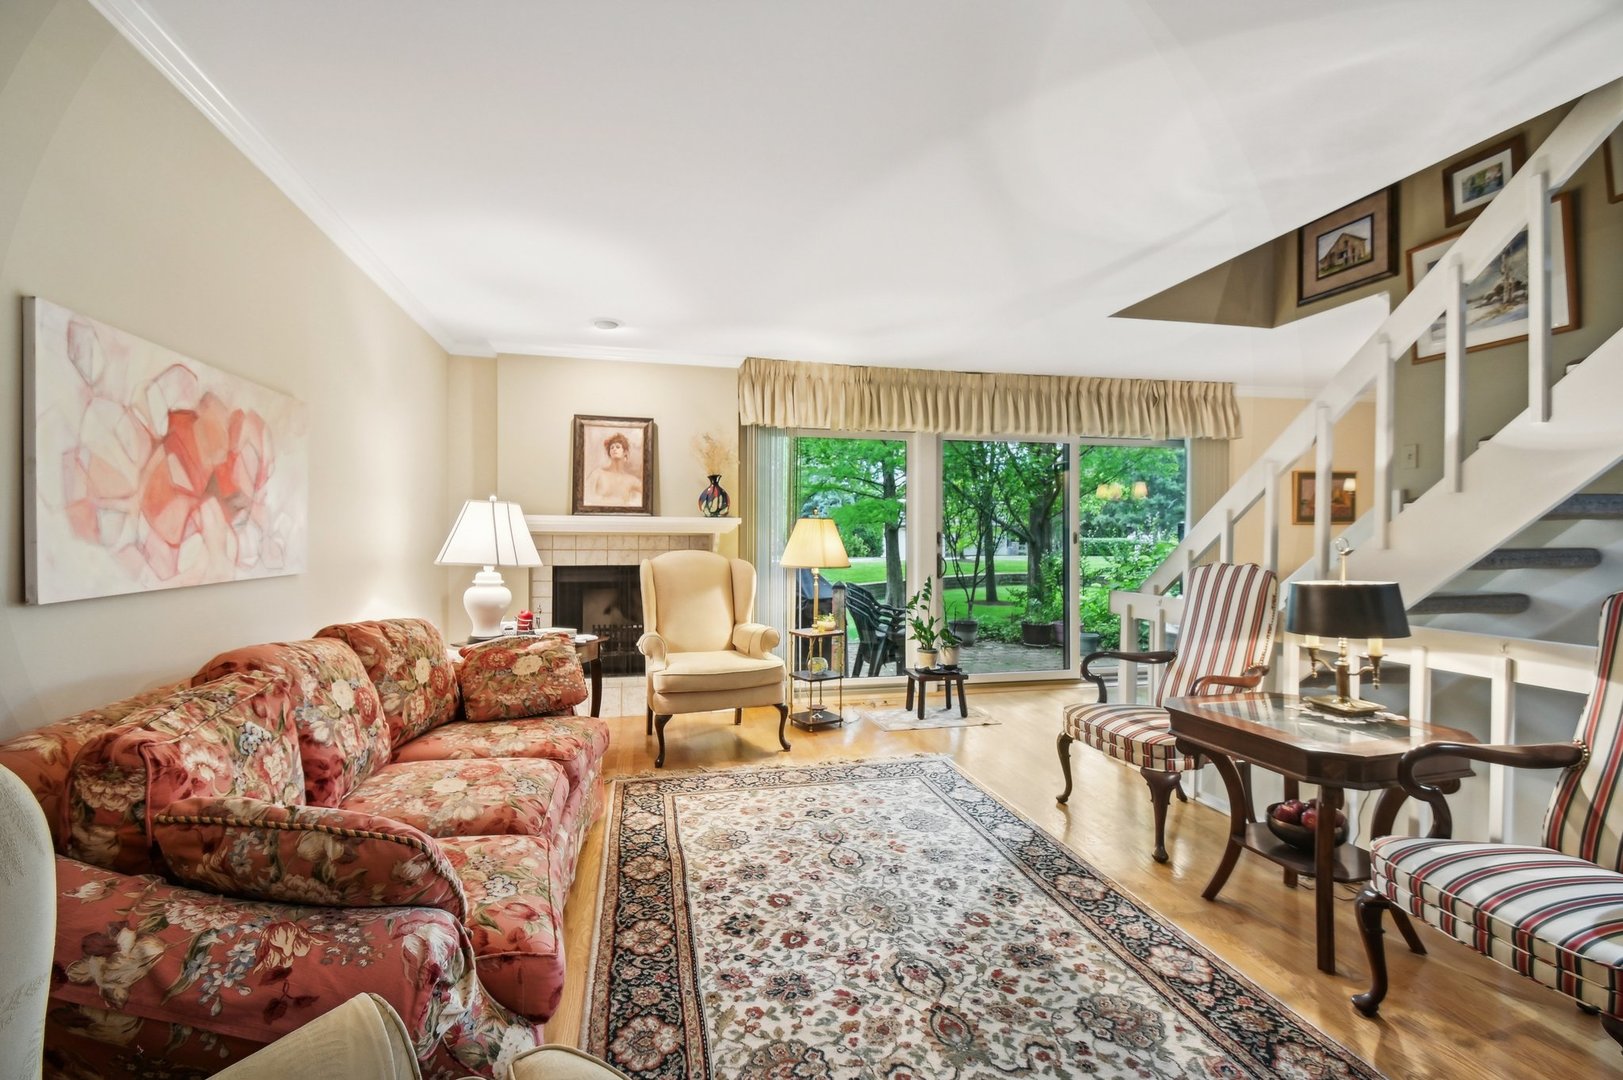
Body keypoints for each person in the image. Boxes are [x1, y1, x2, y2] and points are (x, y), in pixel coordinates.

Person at [584, 431, 643, 507]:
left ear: (625, 452)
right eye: (612, 447)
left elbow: (647, 495)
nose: (614, 449)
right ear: (609, 453)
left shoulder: (631, 480)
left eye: (618, 447)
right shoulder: (597, 473)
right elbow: (585, 498)